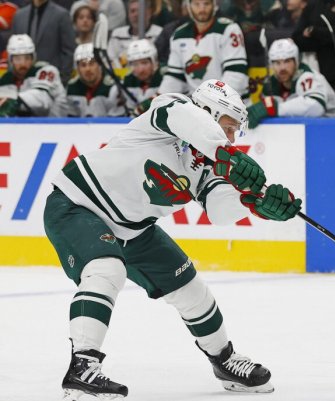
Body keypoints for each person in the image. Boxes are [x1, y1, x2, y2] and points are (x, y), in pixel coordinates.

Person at [44, 79, 302, 400]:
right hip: (77, 204)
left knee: (191, 289)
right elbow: (186, 119)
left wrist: (254, 204)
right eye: (229, 127)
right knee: (107, 269)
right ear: (208, 113)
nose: (233, 137)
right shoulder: (169, 109)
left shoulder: (207, 165)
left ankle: (223, 360)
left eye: (236, 131)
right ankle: (82, 366)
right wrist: (225, 151)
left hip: (134, 229)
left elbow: (218, 208)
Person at [247, 38, 335, 128]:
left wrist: (276, 108)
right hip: (303, 131)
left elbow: (316, 107)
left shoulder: (307, 76)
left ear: (296, 62)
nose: (282, 68)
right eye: (277, 63)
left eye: (287, 61)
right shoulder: (271, 84)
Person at [160, 0, 249, 97]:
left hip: (230, 102)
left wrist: (214, 99)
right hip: (196, 102)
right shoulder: (178, 35)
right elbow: (175, 77)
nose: (202, 9)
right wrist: (160, 97)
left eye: (206, 4)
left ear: (214, 5)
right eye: (196, 4)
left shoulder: (229, 29)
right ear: (189, 6)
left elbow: (236, 74)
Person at [0, 34, 67, 117]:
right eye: (17, 59)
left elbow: (43, 100)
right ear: (11, 60)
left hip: (56, 123)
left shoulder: (46, 70)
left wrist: (16, 101)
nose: (23, 63)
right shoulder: (5, 80)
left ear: (33, 58)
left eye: (27, 58)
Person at [10, 0, 76, 84]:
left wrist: (62, 80)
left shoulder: (61, 15)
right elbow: (11, 49)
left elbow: (69, 51)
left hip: (51, 81)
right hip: (21, 81)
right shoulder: (19, 15)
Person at [66, 43, 124, 117]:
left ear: (100, 64)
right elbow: (71, 120)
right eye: (83, 65)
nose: (88, 69)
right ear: (77, 68)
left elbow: (118, 120)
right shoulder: (72, 87)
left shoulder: (113, 87)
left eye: (91, 63)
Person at [112, 38, 163, 115]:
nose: (140, 70)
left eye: (144, 63)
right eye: (135, 64)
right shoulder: (128, 80)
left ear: (154, 61)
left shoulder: (165, 76)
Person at [107, 0, 163, 68]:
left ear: (149, 12)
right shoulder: (117, 34)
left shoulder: (160, 33)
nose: (136, 15)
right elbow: (111, 61)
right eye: (132, 11)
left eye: (140, 10)